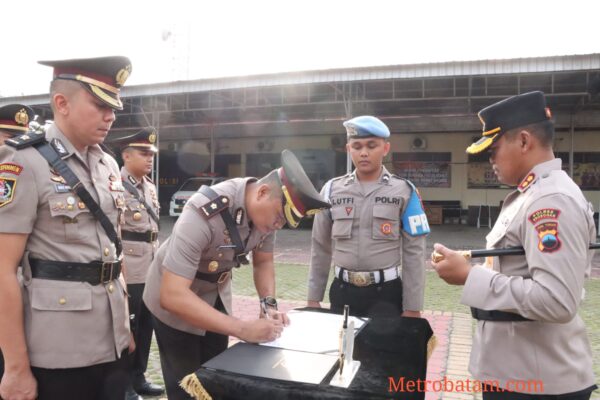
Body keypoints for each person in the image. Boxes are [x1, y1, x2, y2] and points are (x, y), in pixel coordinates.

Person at [432, 91, 597, 399]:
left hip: (537, 381)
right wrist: (473, 269)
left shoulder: (551, 200)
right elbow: (518, 269)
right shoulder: (532, 194)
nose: (489, 159)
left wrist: (470, 276)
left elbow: (558, 300)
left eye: (493, 150)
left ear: (523, 141)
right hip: (519, 370)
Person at [142, 149, 331, 400]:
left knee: (218, 379)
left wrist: (268, 305)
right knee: (188, 388)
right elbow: (173, 295)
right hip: (175, 301)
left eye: (284, 222)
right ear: (262, 192)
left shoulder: (266, 215)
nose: (278, 226)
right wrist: (242, 329)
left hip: (215, 294)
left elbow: (263, 262)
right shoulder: (202, 212)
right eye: (278, 217)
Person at [0, 56, 133, 400]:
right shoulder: (24, 162)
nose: (111, 115)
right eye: (100, 104)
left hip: (113, 341)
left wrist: (126, 327)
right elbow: (2, 269)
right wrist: (15, 367)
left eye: (114, 106)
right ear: (62, 103)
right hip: (59, 349)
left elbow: (114, 250)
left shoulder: (108, 165)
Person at [307, 115, 430, 318]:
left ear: (385, 148)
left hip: (386, 294)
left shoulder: (405, 191)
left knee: (386, 351)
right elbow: (319, 247)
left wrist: (413, 307)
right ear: (348, 149)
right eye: (357, 146)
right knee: (342, 349)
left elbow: (414, 253)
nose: (364, 153)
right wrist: (313, 297)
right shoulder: (331, 190)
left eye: (371, 146)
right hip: (342, 292)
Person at [111, 127, 164, 399]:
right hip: (129, 266)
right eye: (143, 153)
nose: (149, 159)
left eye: (151, 154)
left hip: (151, 264)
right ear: (126, 155)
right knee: (127, 328)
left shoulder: (150, 187)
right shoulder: (115, 184)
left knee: (146, 326)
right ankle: (125, 384)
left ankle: (139, 377)